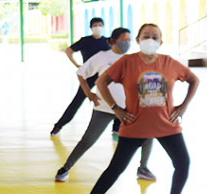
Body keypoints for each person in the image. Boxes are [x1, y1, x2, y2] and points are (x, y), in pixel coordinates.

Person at [70, 24, 200, 194]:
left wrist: (183, 106)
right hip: (135, 125)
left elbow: (193, 79)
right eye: (146, 35)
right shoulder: (127, 62)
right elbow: (101, 82)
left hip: (167, 124)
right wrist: (115, 108)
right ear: (138, 40)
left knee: (183, 163)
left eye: (155, 36)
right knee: (116, 168)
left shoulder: (169, 63)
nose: (150, 39)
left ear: (161, 42)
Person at [55, 28, 155, 183]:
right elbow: (81, 73)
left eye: (129, 40)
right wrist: (88, 93)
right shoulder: (102, 57)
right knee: (88, 139)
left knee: (148, 133)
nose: (127, 43)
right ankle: (65, 168)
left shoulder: (133, 59)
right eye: (124, 40)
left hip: (128, 109)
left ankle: (143, 168)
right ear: (114, 41)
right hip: (104, 108)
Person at [51, 17, 112, 136]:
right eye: (95, 25)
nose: (98, 27)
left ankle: (117, 127)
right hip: (88, 75)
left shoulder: (108, 41)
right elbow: (68, 51)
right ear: (91, 27)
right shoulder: (85, 41)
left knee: (117, 97)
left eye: (100, 25)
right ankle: (58, 125)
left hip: (104, 75)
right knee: (77, 101)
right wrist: (77, 65)